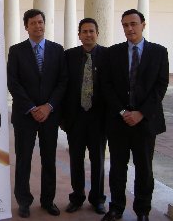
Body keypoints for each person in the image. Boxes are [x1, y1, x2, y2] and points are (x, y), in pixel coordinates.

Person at [102, 9, 169, 221]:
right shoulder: (113, 53)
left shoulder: (159, 52)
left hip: (145, 122)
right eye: (125, 25)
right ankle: (116, 208)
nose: (129, 29)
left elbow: (161, 86)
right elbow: (107, 85)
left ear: (143, 25)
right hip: (119, 122)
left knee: (144, 169)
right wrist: (123, 112)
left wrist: (141, 113)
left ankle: (142, 211)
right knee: (117, 168)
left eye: (133, 24)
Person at [7, 9, 67, 218]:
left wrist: (48, 106)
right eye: (33, 23)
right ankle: (24, 201)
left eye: (41, 22)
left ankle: (48, 200)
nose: (38, 26)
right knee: (23, 159)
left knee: (48, 159)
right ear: (26, 27)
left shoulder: (57, 50)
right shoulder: (16, 51)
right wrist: (32, 108)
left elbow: (63, 82)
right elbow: (13, 83)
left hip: (50, 115)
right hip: (25, 116)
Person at [62, 18, 107, 215]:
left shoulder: (108, 56)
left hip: (99, 120)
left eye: (91, 31)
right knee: (76, 160)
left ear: (97, 33)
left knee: (98, 160)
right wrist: (65, 121)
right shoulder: (69, 56)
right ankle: (77, 197)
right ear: (79, 35)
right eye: (84, 31)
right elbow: (63, 87)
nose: (88, 35)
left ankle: (97, 199)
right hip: (76, 119)